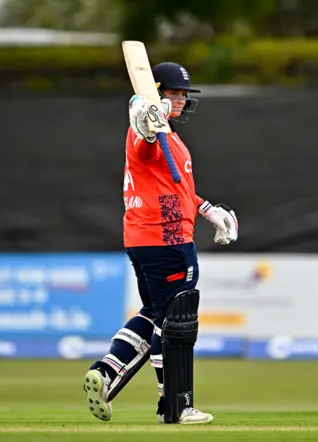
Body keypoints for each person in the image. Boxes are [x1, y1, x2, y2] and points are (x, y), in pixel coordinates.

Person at [82, 61, 239, 425]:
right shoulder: (148, 132)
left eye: (184, 95)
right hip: (165, 238)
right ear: (156, 94)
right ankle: (173, 405)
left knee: (154, 313)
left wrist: (207, 208)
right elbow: (143, 139)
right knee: (174, 321)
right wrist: (147, 116)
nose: (182, 100)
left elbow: (176, 186)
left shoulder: (169, 134)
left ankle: (105, 373)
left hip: (147, 236)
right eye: (175, 94)